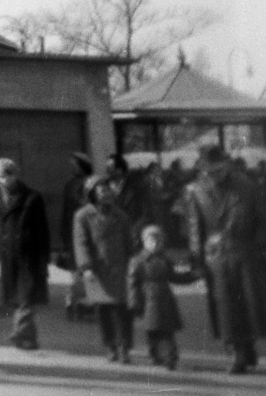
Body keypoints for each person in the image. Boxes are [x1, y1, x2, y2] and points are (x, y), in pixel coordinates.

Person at [185, 144, 265, 374]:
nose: (213, 174)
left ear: (226, 164)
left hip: (246, 253)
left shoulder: (248, 187)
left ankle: (246, 347)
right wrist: (196, 261)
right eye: (208, 171)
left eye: (218, 169)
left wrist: (260, 246)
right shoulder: (195, 191)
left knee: (249, 305)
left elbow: (263, 220)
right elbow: (194, 230)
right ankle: (238, 351)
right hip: (215, 258)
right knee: (226, 307)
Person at [0, 158, 51, 350]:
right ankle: (30, 340)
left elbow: (42, 229)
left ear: (14, 176)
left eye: (3, 177)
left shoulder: (32, 197)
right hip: (8, 256)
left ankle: (18, 331)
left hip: (29, 255)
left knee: (26, 296)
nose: (0, 181)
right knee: (17, 298)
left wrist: (45, 258)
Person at [74, 175, 136, 363]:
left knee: (123, 311)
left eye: (108, 190)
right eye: (102, 191)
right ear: (92, 194)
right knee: (104, 311)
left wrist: (135, 265)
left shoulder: (121, 215)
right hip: (97, 271)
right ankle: (110, 347)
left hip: (120, 269)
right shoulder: (82, 216)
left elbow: (129, 243)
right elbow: (81, 243)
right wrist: (85, 267)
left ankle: (124, 347)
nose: (107, 193)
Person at [127, 223, 185, 370]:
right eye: (151, 241)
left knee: (165, 329)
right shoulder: (138, 261)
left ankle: (168, 356)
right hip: (148, 298)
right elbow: (132, 283)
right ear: (144, 242)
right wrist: (134, 302)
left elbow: (173, 276)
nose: (155, 244)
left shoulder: (165, 259)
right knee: (153, 328)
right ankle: (159, 354)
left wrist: (192, 276)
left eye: (159, 241)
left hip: (165, 297)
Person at [59, 151, 96, 320]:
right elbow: (66, 211)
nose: (72, 168)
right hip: (72, 231)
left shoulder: (91, 183)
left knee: (85, 267)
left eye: (75, 165)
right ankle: (75, 303)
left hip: (86, 230)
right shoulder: (70, 184)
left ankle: (84, 303)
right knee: (76, 269)